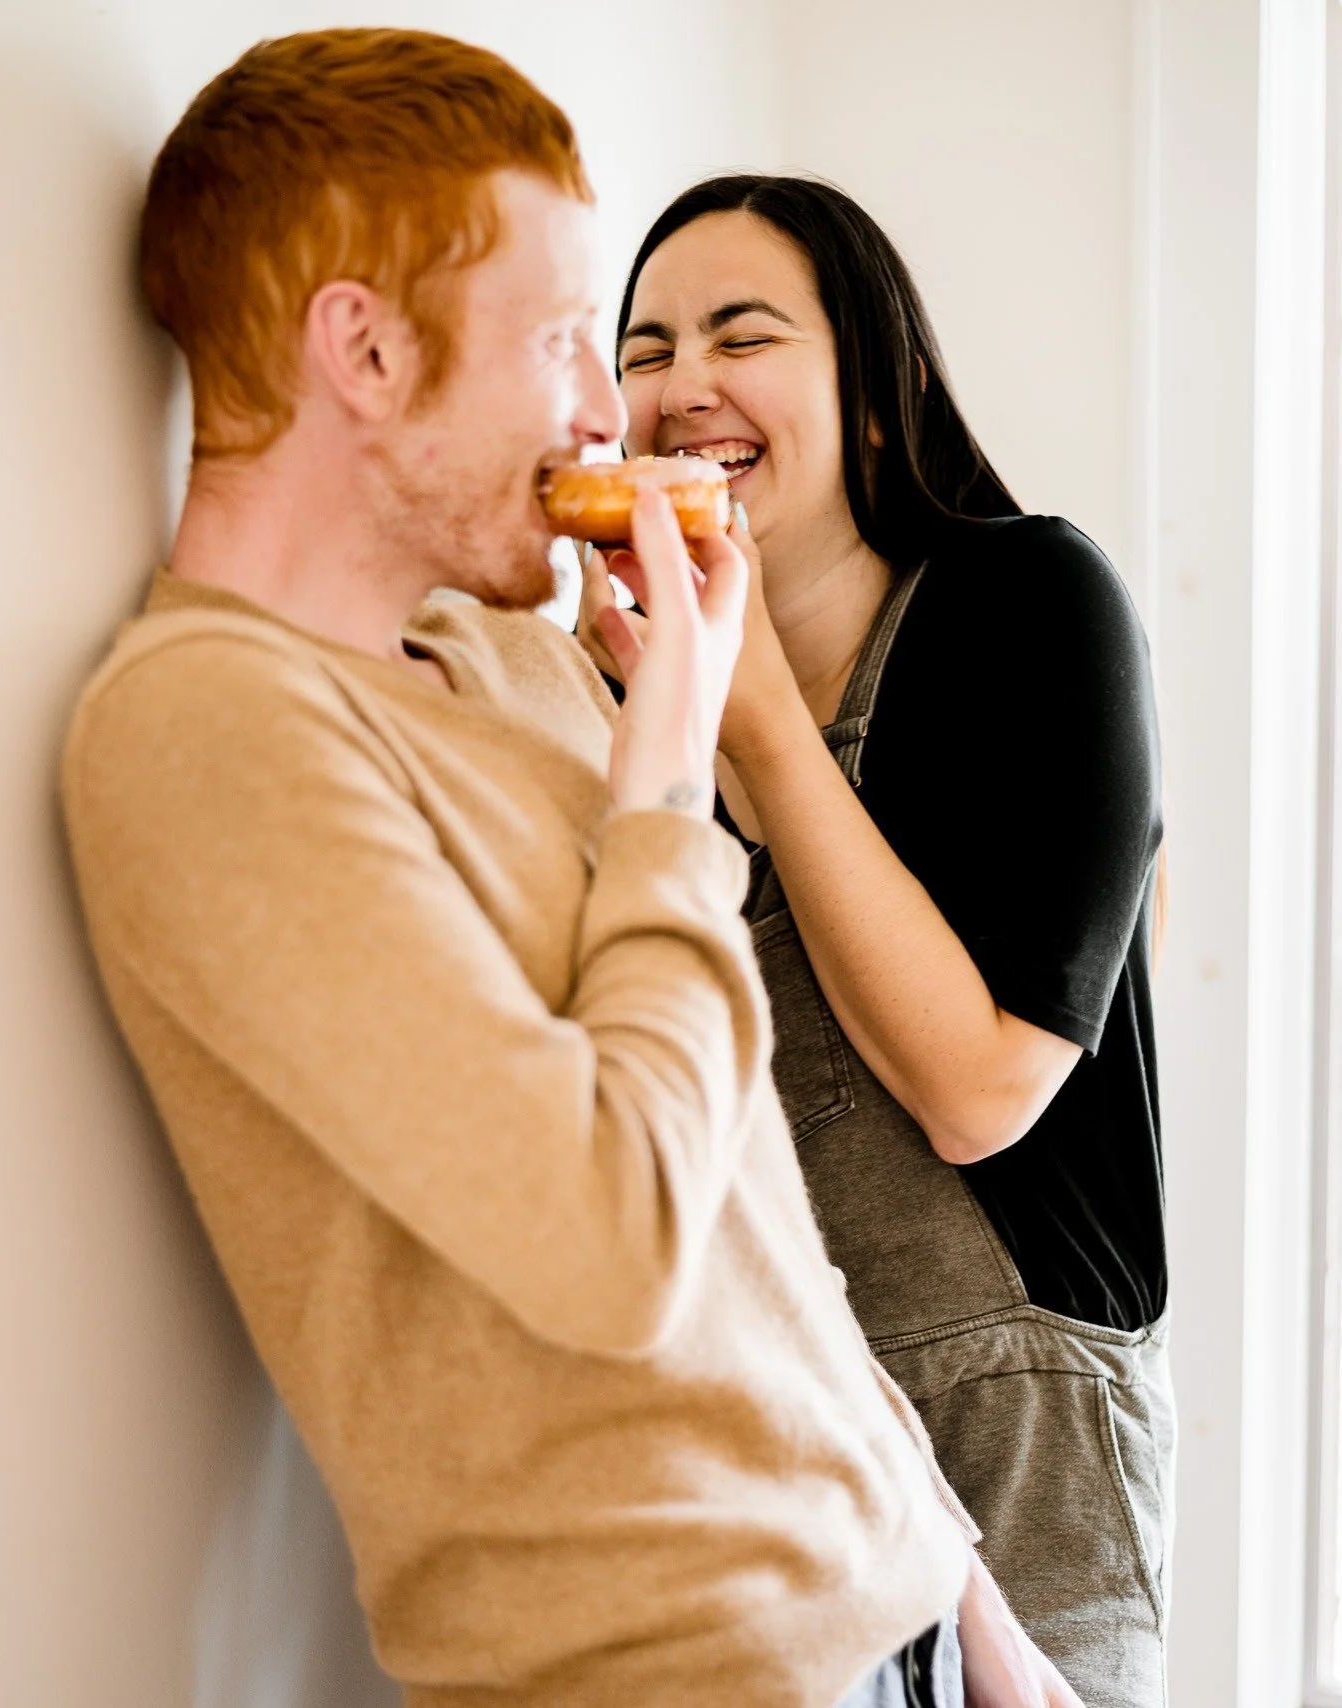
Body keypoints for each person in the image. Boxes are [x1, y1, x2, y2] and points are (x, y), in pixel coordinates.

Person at [59, 31, 1080, 1708]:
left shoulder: (519, 664)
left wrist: (965, 1602)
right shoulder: (204, 729)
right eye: (557, 339)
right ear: (365, 351)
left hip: (896, 1628)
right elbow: (611, 1237)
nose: (612, 412)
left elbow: (751, 1217)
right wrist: (672, 777)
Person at [582, 175, 1173, 1708]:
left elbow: (982, 1089)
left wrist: (760, 721)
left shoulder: (1028, 604)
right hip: (759, 1433)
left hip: (1016, 1434)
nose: (679, 385)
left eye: (740, 333)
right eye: (642, 349)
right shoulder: (623, 683)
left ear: (871, 393)